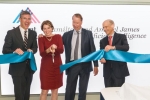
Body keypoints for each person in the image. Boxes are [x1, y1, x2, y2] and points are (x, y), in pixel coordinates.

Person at [2, 11, 38, 100]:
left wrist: (32, 50)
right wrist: (14, 51)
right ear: (20, 19)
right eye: (25, 18)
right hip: (17, 69)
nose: (27, 21)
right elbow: (5, 50)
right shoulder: (11, 33)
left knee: (26, 95)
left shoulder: (33, 33)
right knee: (19, 96)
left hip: (29, 69)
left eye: (29, 19)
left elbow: (35, 48)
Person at [62, 13, 99, 100]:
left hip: (85, 65)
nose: (75, 25)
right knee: (69, 90)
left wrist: (96, 65)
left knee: (83, 91)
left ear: (81, 22)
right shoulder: (66, 35)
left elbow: (93, 50)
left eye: (77, 23)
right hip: (72, 65)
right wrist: (44, 36)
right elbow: (58, 44)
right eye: (73, 22)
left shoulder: (88, 34)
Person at [38, 20, 64, 100]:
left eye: (48, 28)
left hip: (57, 66)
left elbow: (61, 50)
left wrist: (56, 48)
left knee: (55, 90)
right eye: (44, 28)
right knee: (44, 91)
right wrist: (48, 50)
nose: (46, 30)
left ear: (52, 28)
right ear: (42, 30)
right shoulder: (41, 38)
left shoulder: (58, 36)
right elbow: (41, 53)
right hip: (46, 67)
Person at [100, 19, 130, 87]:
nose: (104, 29)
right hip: (107, 73)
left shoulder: (122, 37)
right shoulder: (102, 41)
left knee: (119, 94)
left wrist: (113, 47)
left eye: (106, 27)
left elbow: (126, 47)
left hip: (119, 72)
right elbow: (102, 55)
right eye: (103, 27)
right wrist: (102, 59)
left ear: (112, 26)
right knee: (108, 95)